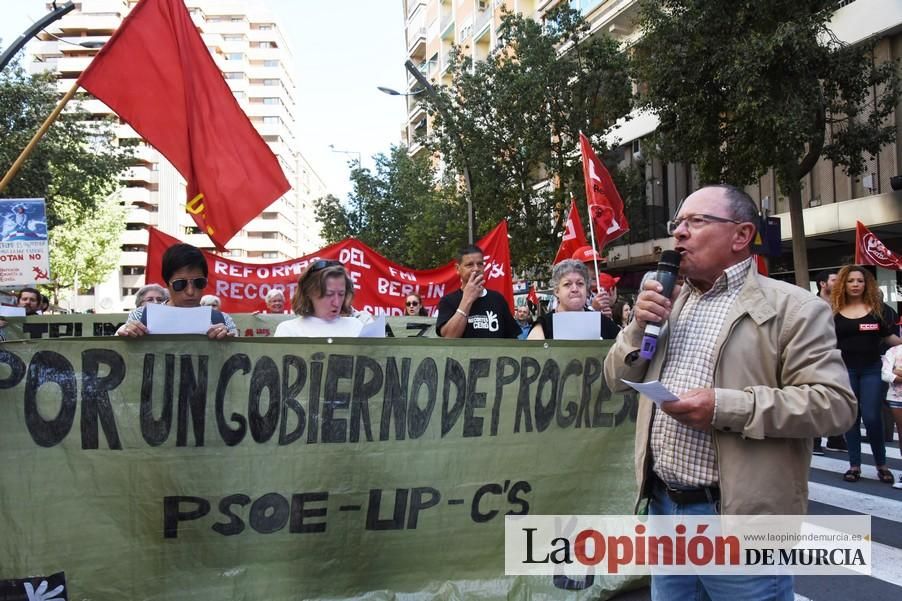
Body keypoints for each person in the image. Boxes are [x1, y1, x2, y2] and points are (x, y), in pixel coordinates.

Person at [603, 184, 856, 601]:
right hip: (666, 509)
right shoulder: (671, 300)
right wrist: (637, 325)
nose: (679, 233)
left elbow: (835, 406)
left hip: (739, 521)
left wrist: (726, 407)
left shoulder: (794, 308)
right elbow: (615, 378)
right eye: (677, 223)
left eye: (695, 221)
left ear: (741, 236)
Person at [831, 265, 900, 484]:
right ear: (844, 284)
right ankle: (854, 466)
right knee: (851, 418)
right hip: (844, 371)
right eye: (851, 281)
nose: (855, 285)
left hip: (872, 370)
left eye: (859, 281)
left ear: (866, 284)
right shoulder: (832, 311)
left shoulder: (875, 310)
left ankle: (882, 465)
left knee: (871, 417)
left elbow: (890, 338)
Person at [116, 243, 236, 339]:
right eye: (180, 284)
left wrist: (228, 344)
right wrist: (124, 336)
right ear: (167, 284)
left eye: (198, 283)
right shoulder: (140, 316)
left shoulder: (223, 321)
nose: (190, 291)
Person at [436, 244, 520, 339]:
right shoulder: (448, 301)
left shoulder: (497, 299)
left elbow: (512, 339)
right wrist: (467, 300)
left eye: (480, 264)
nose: (476, 269)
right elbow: (449, 337)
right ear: (457, 269)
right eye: (469, 265)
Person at [528, 259, 619, 340]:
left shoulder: (601, 321)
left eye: (580, 283)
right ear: (556, 291)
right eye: (567, 284)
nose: (575, 289)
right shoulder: (543, 326)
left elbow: (626, 347)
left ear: (586, 289)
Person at [274, 260, 363, 337]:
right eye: (328, 294)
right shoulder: (288, 330)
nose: (336, 302)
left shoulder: (356, 326)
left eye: (341, 294)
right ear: (309, 292)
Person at [813, 268, 846, 453]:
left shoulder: (845, 303)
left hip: (843, 355)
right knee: (819, 397)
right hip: (820, 356)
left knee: (839, 398)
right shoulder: (812, 304)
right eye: (835, 280)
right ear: (823, 284)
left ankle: (836, 438)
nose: (839, 284)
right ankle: (815, 441)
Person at [572, 245, 614, 316]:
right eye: (593, 268)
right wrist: (593, 309)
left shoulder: (596, 298)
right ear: (578, 270)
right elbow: (566, 324)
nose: (598, 273)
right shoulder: (566, 297)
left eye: (599, 268)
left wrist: (606, 320)